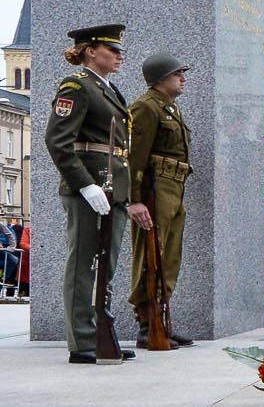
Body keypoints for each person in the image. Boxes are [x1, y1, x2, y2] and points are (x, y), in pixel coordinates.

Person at [45, 25, 137, 364]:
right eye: (111, 49)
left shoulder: (108, 89)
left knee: (106, 264)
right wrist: (84, 184)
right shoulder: (77, 86)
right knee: (84, 262)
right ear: (89, 51)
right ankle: (81, 339)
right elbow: (58, 140)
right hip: (90, 186)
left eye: (118, 49)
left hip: (112, 186)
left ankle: (100, 331)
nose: (119, 54)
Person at [127, 52, 194, 345]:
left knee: (169, 257)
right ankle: (146, 323)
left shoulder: (170, 108)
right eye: (177, 73)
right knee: (150, 256)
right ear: (160, 79)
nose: (183, 78)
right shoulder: (146, 107)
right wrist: (134, 199)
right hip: (154, 189)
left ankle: (162, 317)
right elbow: (134, 158)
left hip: (174, 186)